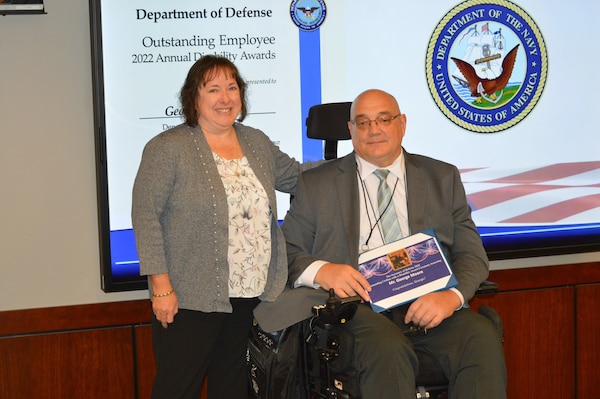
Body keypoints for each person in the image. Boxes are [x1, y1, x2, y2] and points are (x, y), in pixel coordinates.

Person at [254, 89, 507, 399]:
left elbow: (472, 254)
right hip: (354, 309)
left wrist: (452, 297)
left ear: (402, 123)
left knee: (479, 337)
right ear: (350, 130)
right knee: (387, 346)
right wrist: (322, 271)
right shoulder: (317, 183)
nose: (373, 130)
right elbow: (285, 251)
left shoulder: (441, 177)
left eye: (383, 119)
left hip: (427, 304)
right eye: (362, 122)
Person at [131, 55, 319, 399]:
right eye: (213, 89)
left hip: (247, 296)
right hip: (189, 299)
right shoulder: (168, 148)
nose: (225, 98)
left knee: (231, 387)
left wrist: (356, 162)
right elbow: (146, 217)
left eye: (232, 88)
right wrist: (160, 288)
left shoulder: (256, 141)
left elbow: (298, 177)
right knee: (178, 389)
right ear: (194, 98)